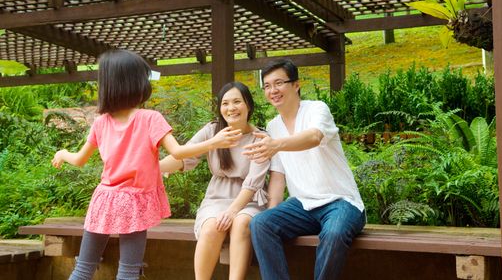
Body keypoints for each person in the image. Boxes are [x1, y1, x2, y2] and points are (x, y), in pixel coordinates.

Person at [51, 49, 242, 280]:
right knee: (129, 272)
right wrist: (214, 141)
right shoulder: (149, 118)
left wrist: (62, 153)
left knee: (82, 269)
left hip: (104, 201)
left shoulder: (101, 122)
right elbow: (178, 152)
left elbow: (80, 160)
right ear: (134, 82)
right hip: (134, 202)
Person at [243, 59, 366, 280]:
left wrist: (277, 144)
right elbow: (278, 177)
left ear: (296, 85)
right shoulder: (273, 126)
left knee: (335, 233)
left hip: (341, 202)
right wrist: (272, 211)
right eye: (267, 86)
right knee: (261, 223)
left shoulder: (317, 109)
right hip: (302, 206)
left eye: (279, 83)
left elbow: (314, 137)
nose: (273, 90)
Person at [159, 81, 284, 280]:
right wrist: (153, 168)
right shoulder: (212, 131)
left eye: (237, 102)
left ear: (248, 105)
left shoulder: (260, 138)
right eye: (225, 103)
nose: (231, 108)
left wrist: (233, 210)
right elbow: (184, 156)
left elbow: (253, 182)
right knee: (212, 227)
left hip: (249, 200)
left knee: (241, 222)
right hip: (217, 197)